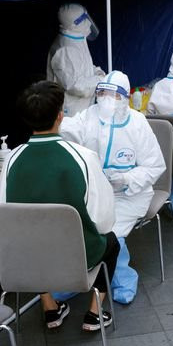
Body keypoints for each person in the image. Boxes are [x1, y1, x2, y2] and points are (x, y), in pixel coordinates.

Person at [0, 81, 118, 331]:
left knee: (34, 237)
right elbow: (104, 220)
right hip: (76, 261)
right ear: (60, 116)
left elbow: (4, 216)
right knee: (111, 242)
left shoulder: (11, 160)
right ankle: (95, 312)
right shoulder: (83, 157)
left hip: (29, 262)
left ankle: (49, 306)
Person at [60, 71, 165, 303]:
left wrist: (127, 180)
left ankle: (124, 279)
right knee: (79, 230)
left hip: (129, 195)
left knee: (111, 234)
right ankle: (76, 279)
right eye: (103, 93)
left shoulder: (137, 123)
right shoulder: (89, 115)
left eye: (113, 94)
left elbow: (155, 166)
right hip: (95, 193)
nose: (107, 99)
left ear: (125, 98)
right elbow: (68, 129)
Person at [47, 3, 105, 116]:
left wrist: (96, 71)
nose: (88, 23)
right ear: (74, 24)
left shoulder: (76, 40)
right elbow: (76, 86)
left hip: (82, 109)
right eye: (84, 19)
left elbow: (84, 65)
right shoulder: (66, 49)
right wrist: (100, 79)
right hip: (72, 112)